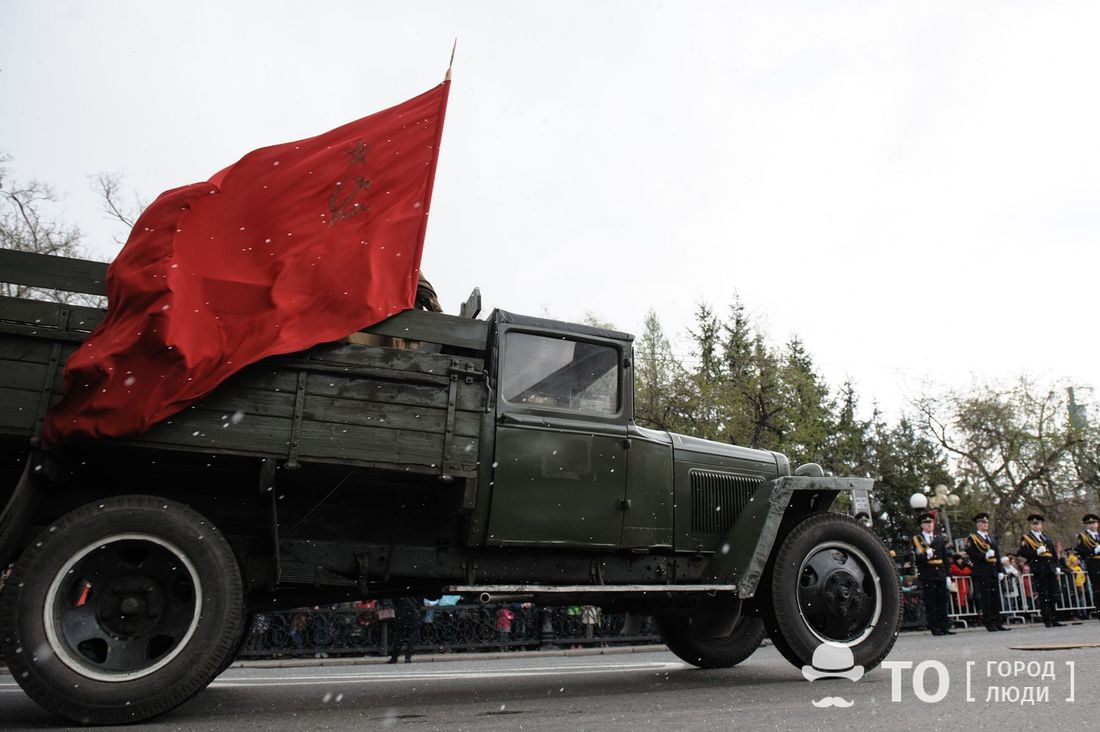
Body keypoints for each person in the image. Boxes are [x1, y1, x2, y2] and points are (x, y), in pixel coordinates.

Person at [964, 512, 1009, 631]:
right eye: (983, 522)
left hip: (993, 571)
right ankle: (989, 622)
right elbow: (971, 554)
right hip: (982, 571)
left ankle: (998, 621)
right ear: (978, 524)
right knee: (986, 598)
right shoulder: (973, 538)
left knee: (995, 598)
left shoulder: (991, 538)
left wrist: (1000, 570)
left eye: (986, 522)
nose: (985, 524)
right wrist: (984, 556)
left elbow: (997, 555)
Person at [1018, 514, 1064, 627]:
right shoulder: (1026, 538)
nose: (1035, 526)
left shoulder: (1046, 537)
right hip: (1039, 569)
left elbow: (1053, 553)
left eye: (1037, 523)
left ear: (1041, 525)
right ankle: (1047, 619)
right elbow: (1023, 552)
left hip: (1049, 568)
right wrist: (1036, 552)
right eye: (1033, 524)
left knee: (1053, 594)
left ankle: (1054, 618)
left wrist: (1057, 566)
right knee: (1044, 595)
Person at [912, 513, 953, 635]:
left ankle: (944, 627)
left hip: (940, 573)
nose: (929, 525)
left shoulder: (938, 538)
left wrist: (948, 575)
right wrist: (925, 556)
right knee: (931, 602)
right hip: (928, 574)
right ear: (922, 525)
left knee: (942, 601)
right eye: (926, 523)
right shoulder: (917, 540)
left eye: (931, 522)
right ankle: (935, 628)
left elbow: (945, 559)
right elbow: (915, 558)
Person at [1074, 513, 1100, 621]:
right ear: (1086, 525)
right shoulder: (1083, 537)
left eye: (1094, 523)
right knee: (1098, 589)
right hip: (1094, 564)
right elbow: (1080, 551)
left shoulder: (1098, 535)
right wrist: (1094, 551)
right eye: (1089, 523)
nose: (1092, 525)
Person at [388, 596, 421, 663]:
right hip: (412, 611)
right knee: (412, 635)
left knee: (399, 635)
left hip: (401, 611)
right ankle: (407, 657)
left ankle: (394, 657)